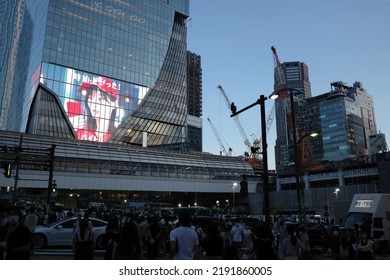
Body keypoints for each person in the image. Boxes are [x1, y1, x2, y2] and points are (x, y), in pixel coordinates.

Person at [69, 76, 119, 143]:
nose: (94, 103)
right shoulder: (79, 131)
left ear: (114, 104)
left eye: (100, 99)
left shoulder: (118, 136)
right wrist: (68, 131)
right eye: (90, 97)